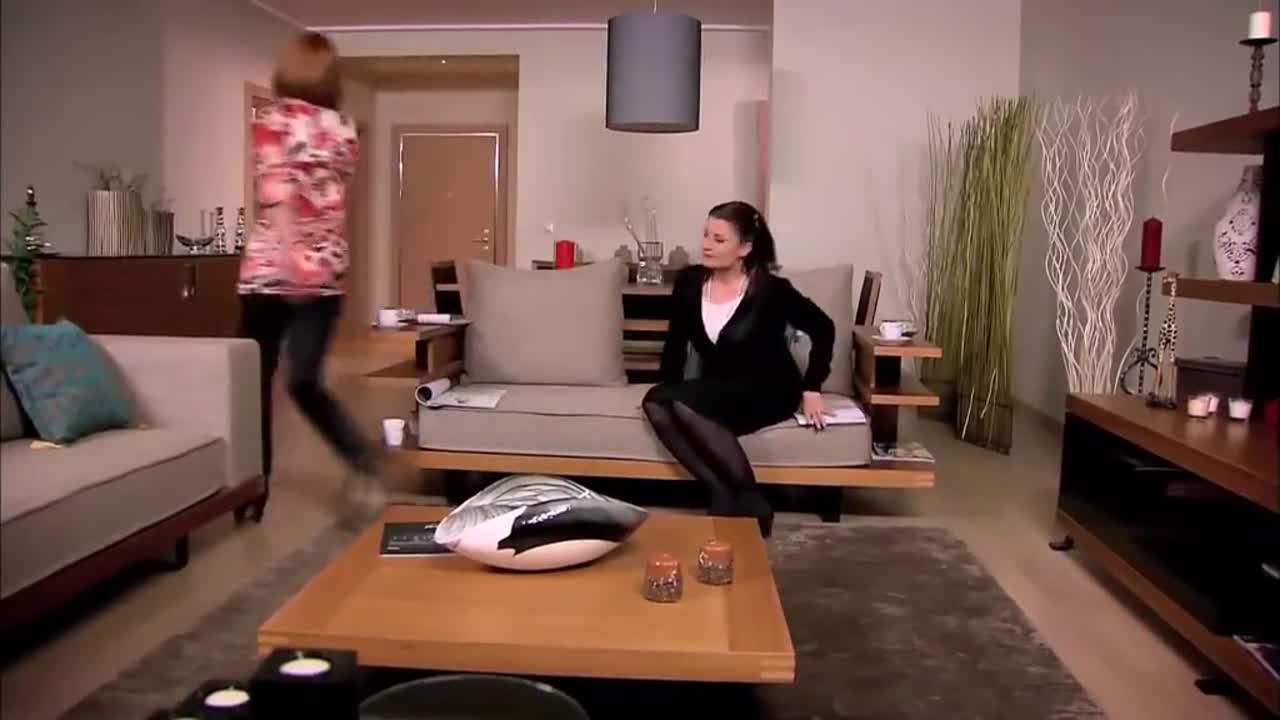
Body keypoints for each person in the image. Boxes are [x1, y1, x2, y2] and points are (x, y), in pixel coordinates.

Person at [238, 31, 383, 516]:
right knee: (304, 382)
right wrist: (309, 263)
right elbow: (329, 199)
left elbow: (277, 195)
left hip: (269, 273)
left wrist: (289, 259)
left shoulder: (271, 121)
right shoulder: (345, 129)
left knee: (253, 383)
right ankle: (360, 458)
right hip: (323, 274)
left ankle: (253, 489)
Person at [642, 201, 835, 538]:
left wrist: (812, 387)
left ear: (745, 248)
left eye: (718, 239)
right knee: (657, 402)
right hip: (720, 386)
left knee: (683, 404)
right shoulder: (689, 283)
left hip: (771, 387)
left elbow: (824, 328)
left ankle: (751, 498)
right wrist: (670, 389)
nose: (706, 245)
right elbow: (676, 343)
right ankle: (718, 488)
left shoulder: (772, 290)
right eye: (705, 235)